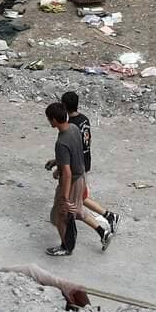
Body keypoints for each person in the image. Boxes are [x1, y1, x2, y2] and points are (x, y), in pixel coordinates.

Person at [44, 101, 111, 256]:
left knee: (60, 215)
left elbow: (67, 173)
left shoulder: (61, 143)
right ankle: (103, 232)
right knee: (76, 210)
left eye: (49, 118)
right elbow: (74, 152)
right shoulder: (74, 129)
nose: (48, 121)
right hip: (81, 178)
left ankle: (66, 247)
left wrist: (65, 197)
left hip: (71, 182)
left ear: (54, 120)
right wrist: (57, 161)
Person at [61, 90, 120, 234]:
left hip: (77, 166)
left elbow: (72, 150)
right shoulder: (84, 119)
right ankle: (110, 216)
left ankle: (102, 229)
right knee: (82, 195)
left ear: (64, 106)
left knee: (74, 201)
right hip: (86, 160)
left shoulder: (70, 126)